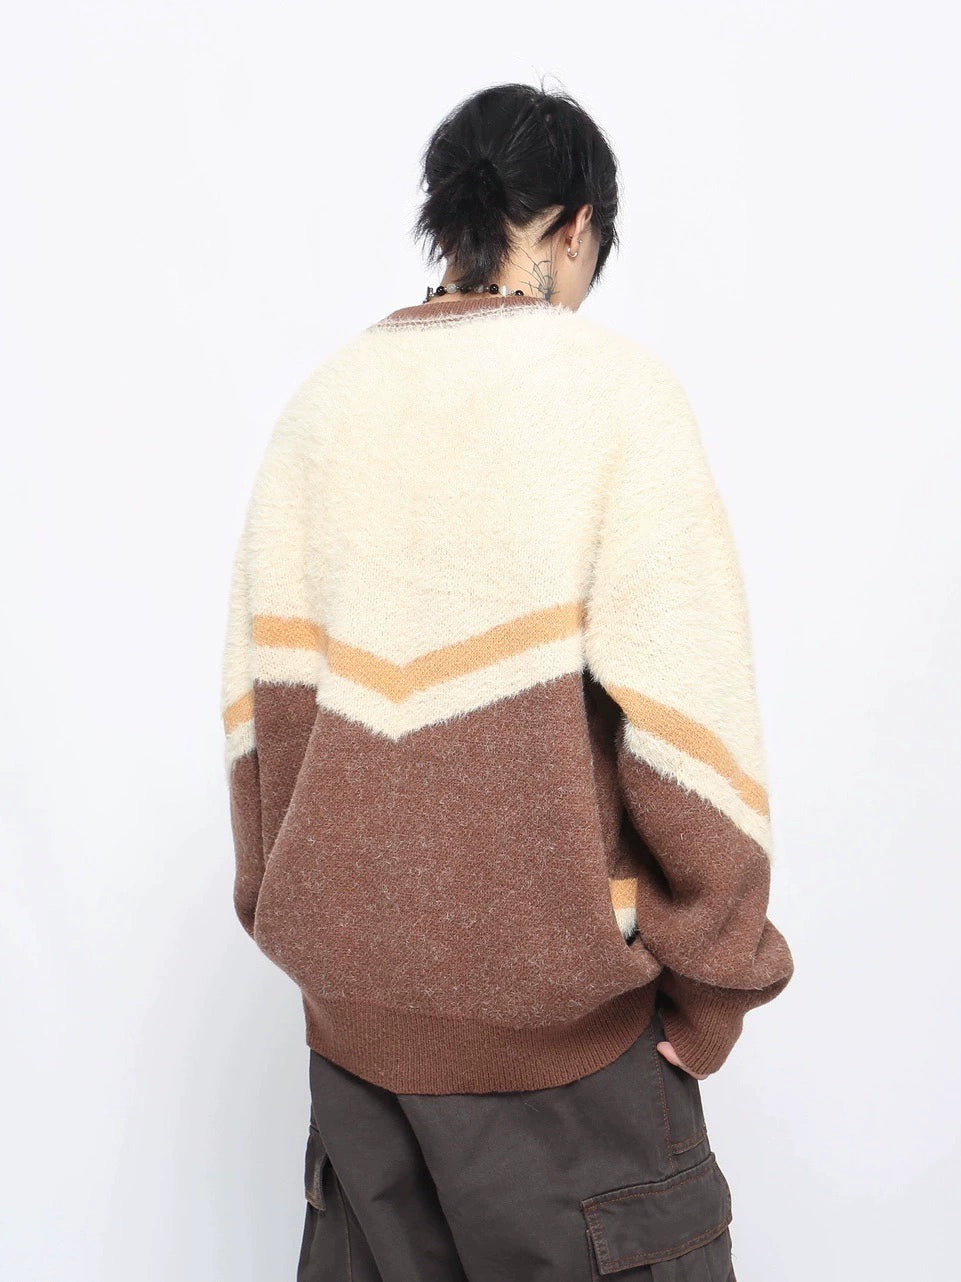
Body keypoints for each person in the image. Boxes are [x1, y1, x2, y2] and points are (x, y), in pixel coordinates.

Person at [219, 80, 795, 1282]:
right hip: (565, 1075)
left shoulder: (320, 410)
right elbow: (693, 735)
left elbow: (259, 733)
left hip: (357, 1067)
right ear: (575, 228)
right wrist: (716, 986)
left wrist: (332, 949)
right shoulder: (613, 399)